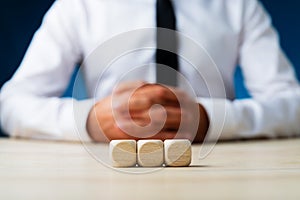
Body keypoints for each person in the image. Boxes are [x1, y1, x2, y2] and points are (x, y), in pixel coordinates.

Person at [0, 0, 299, 143]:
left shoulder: (239, 5)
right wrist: (89, 121)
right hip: (105, 175)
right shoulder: (79, 6)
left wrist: (211, 119)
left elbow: (293, 106)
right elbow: (12, 105)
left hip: (222, 170)